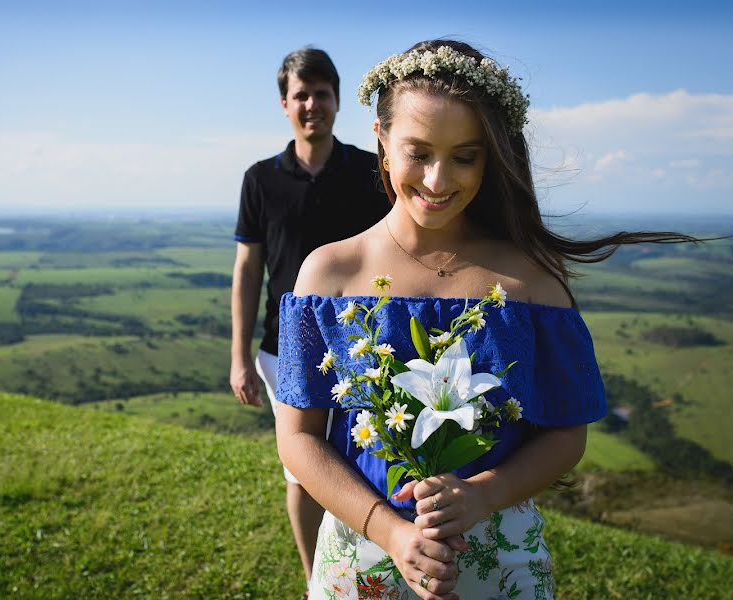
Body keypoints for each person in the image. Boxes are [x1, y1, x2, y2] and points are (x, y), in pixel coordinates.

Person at [275, 39, 697, 599]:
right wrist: (392, 532)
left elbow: (567, 433)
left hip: (497, 555)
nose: (437, 180)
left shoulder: (532, 284)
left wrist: (482, 496)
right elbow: (298, 441)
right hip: (361, 550)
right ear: (380, 139)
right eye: (418, 152)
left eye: (465, 156)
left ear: (491, 156)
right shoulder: (328, 275)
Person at [230, 47, 391, 588]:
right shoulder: (260, 180)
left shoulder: (372, 171)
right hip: (284, 349)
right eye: (301, 94)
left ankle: (374, 573)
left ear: (338, 102)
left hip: (363, 344)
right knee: (303, 471)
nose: (312, 104)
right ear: (285, 104)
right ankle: (314, 582)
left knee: (364, 464)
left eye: (322, 94)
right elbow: (248, 270)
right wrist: (239, 359)